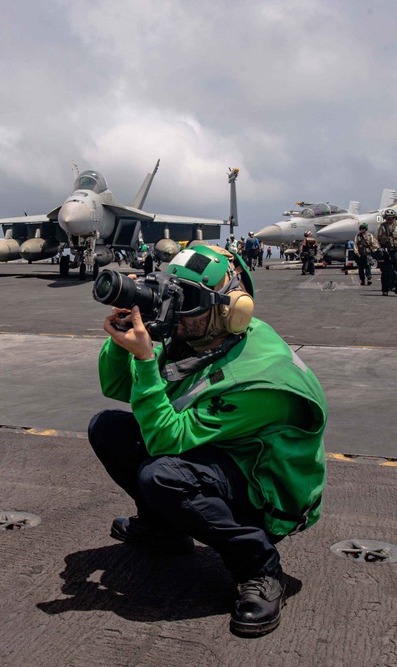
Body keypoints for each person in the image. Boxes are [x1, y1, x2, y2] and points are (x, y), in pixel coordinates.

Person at [89, 244, 327, 637]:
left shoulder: (259, 376)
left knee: (162, 475)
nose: (175, 311)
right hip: (229, 453)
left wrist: (148, 362)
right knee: (109, 429)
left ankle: (260, 568)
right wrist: (121, 343)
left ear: (231, 310)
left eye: (189, 302)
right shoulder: (204, 339)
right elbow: (116, 386)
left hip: (269, 491)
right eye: (170, 293)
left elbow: (167, 438)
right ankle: (164, 529)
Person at [375, 209, 397, 296]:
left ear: (394, 218)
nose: (389, 220)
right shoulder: (381, 227)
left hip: (396, 250)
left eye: (391, 218)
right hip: (385, 250)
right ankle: (385, 289)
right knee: (385, 270)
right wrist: (378, 248)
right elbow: (376, 239)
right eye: (387, 218)